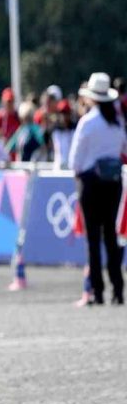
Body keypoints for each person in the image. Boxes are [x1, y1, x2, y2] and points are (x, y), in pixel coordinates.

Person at [68, 72, 126, 305]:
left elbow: (75, 159)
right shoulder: (116, 122)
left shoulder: (88, 122)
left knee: (93, 239)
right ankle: (118, 289)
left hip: (91, 182)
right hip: (113, 182)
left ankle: (97, 290)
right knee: (111, 236)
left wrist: (79, 173)